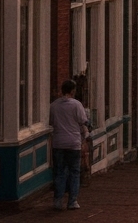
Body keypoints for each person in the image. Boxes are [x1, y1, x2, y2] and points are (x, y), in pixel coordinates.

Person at [49, 80, 89, 210]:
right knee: (74, 172)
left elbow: (51, 121)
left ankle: (58, 200)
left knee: (59, 172)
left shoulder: (54, 105)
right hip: (73, 143)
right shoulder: (76, 105)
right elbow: (83, 121)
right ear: (72, 91)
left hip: (58, 142)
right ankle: (72, 201)